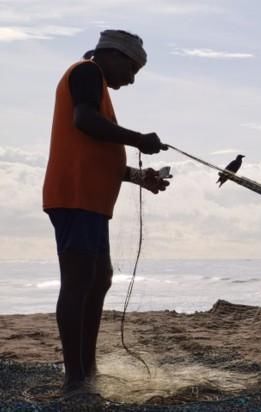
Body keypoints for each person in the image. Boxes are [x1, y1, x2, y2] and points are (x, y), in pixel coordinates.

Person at [42, 29, 171, 394]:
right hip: (75, 196)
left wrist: (137, 176)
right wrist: (139, 139)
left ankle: (87, 367)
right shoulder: (86, 73)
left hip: (92, 202)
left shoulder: (97, 85)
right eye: (131, 70)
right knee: (79, 281)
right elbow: (84, 121)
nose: (130, 80)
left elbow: (96, 149)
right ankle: (75, 378)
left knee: (99, 279)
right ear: (113, 55)